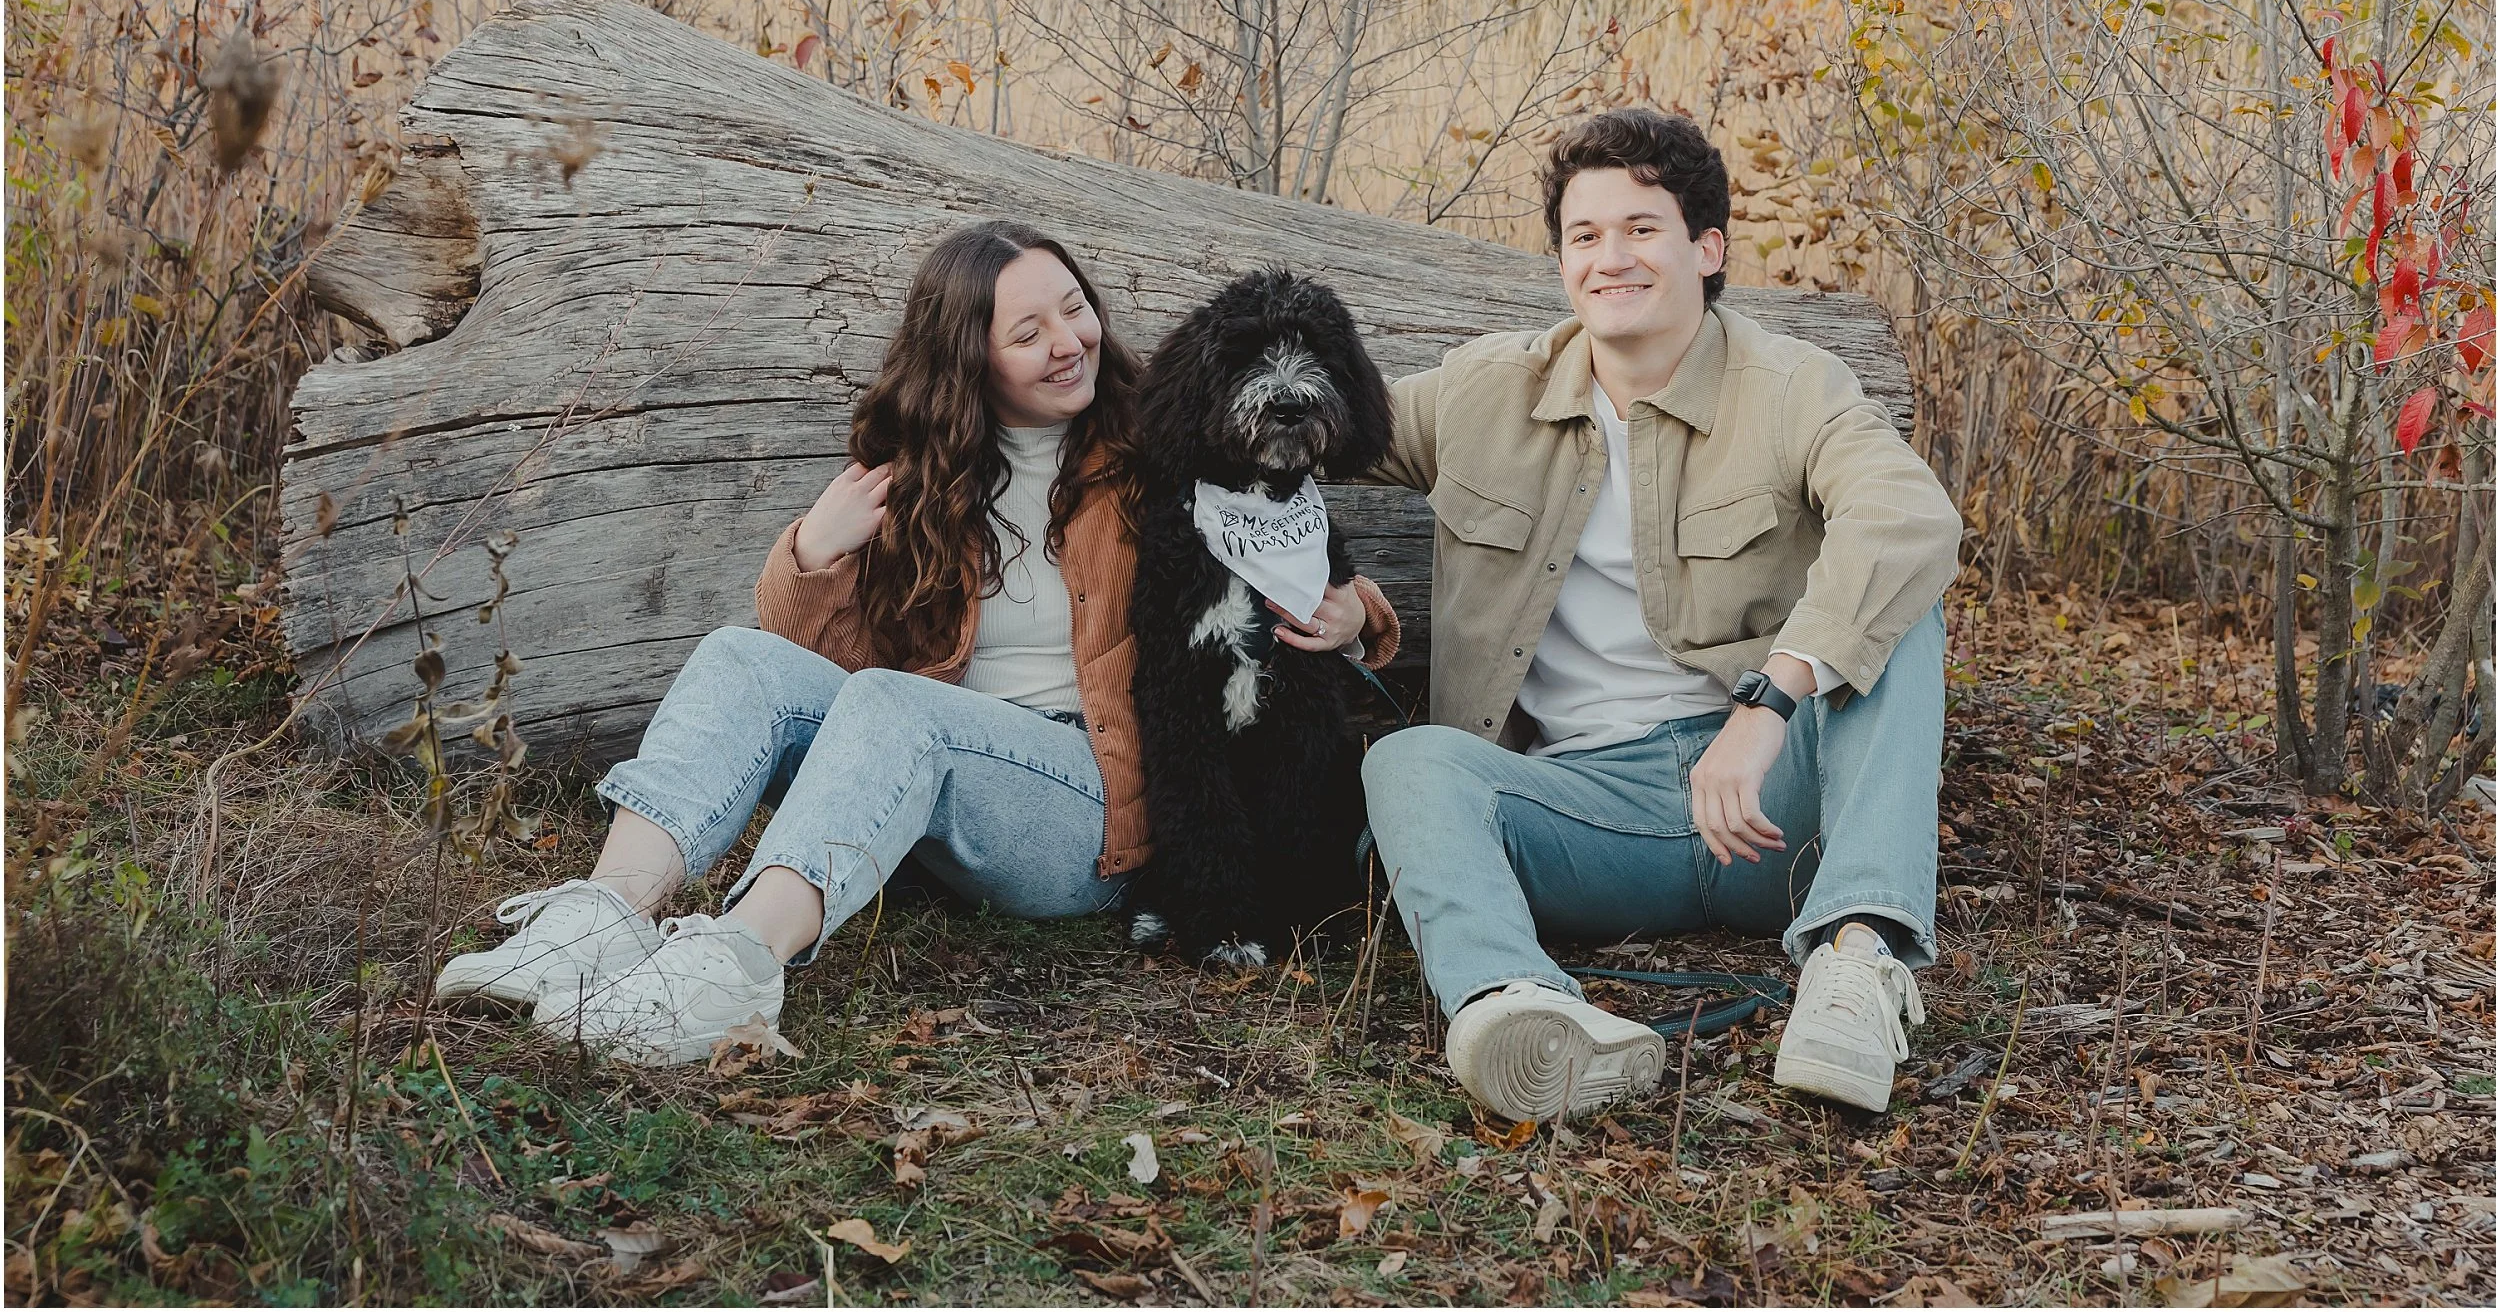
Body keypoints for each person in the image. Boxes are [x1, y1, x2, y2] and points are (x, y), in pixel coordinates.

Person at [435, 221, 1402, 1065]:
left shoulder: (1157, 450)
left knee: (904, 706)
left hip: (1089, 803)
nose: (1070, 343)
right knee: (740, 656)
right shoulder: (927, 477)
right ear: (969, 359)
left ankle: (735, 964)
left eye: (1074, 309)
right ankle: (599, 919)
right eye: (1029, 332)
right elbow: (816, 663)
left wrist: (1362, 609)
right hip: (939, 773)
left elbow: (1278, 533)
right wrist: (812, 552)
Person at [1360, 108, 1962, 1120]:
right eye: (1585, 236)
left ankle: (1856, 968)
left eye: (1641, 228)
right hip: (1594, 814)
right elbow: (1307, 419)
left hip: (1780, 801)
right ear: (1559, 261)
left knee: (1901, 612)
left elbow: (1908, 517)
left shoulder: (1790, 386)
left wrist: (1768, 705)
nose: (1611, 259)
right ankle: (1522, 1009)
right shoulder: (1481, 393)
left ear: (1705, 247)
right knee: (1406, 763)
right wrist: (1314, 579)